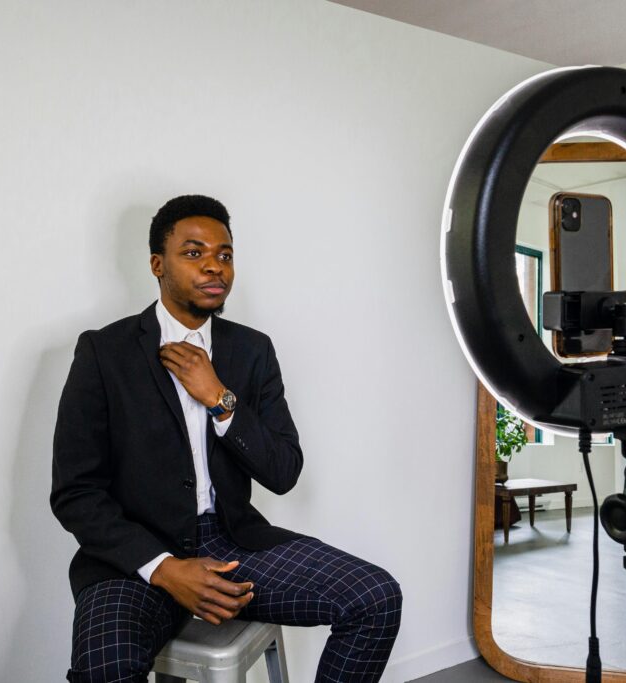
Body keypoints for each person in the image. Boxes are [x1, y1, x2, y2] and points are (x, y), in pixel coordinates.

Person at [51, 195, 402, 683]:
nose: (214, 266)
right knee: (105, 670)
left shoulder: (252, 350)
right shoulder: (104, 352)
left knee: (375, 599)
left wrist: (219, 398)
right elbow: (76, 493)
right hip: (132, 557)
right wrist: (165, 568)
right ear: (158, 264)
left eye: (225, 254)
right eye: (194, 253)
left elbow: (283, 471)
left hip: (234, 542)